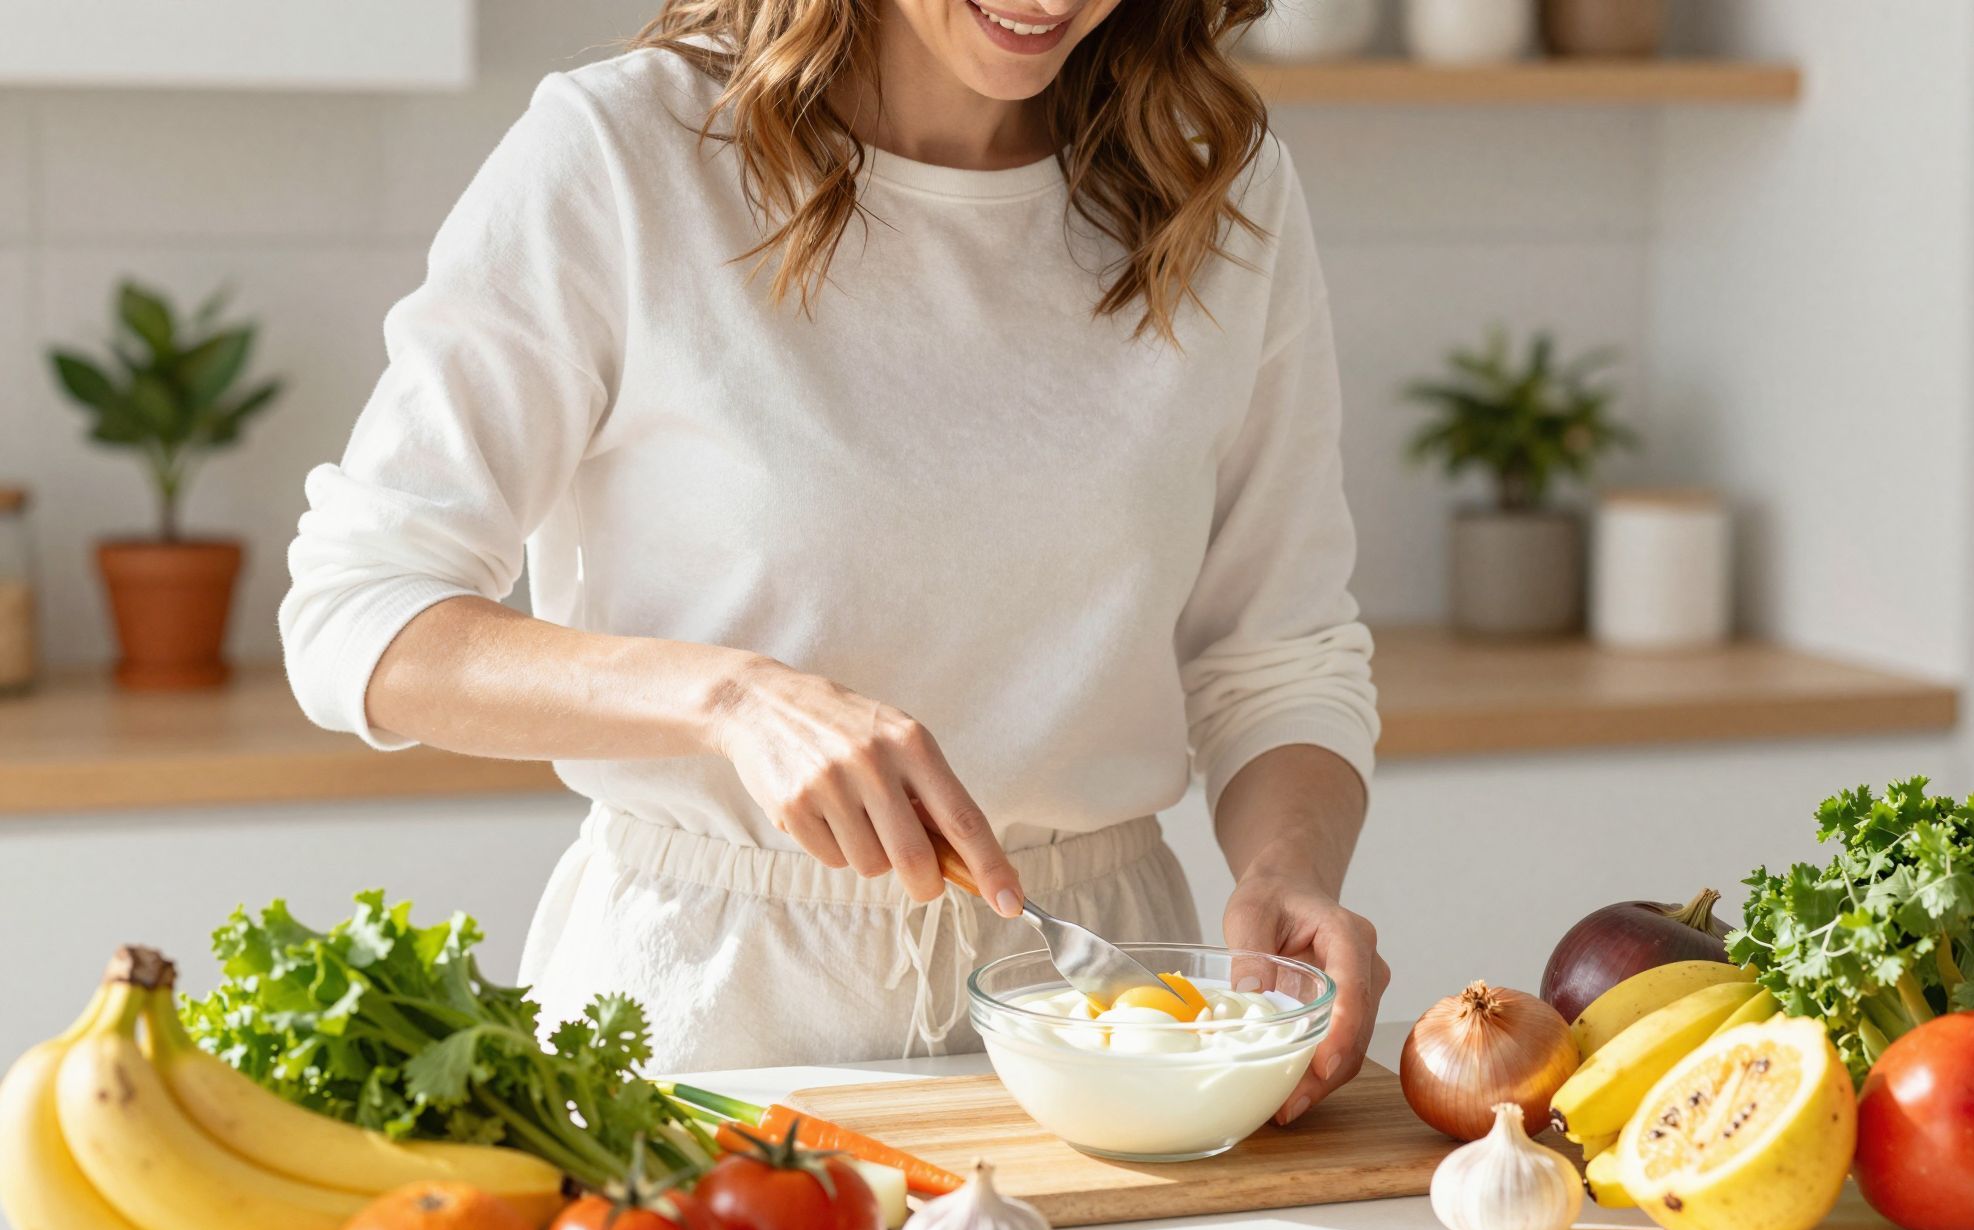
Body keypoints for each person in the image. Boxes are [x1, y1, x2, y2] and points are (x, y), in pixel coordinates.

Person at [280, 0, 1388, 1126]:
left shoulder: (1212, 182)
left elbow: (1277, 651)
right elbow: (358, 614)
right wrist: (730, 701)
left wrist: (1286, 871)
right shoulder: (625, 154)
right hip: (711, 1018)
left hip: (1094, 1029)